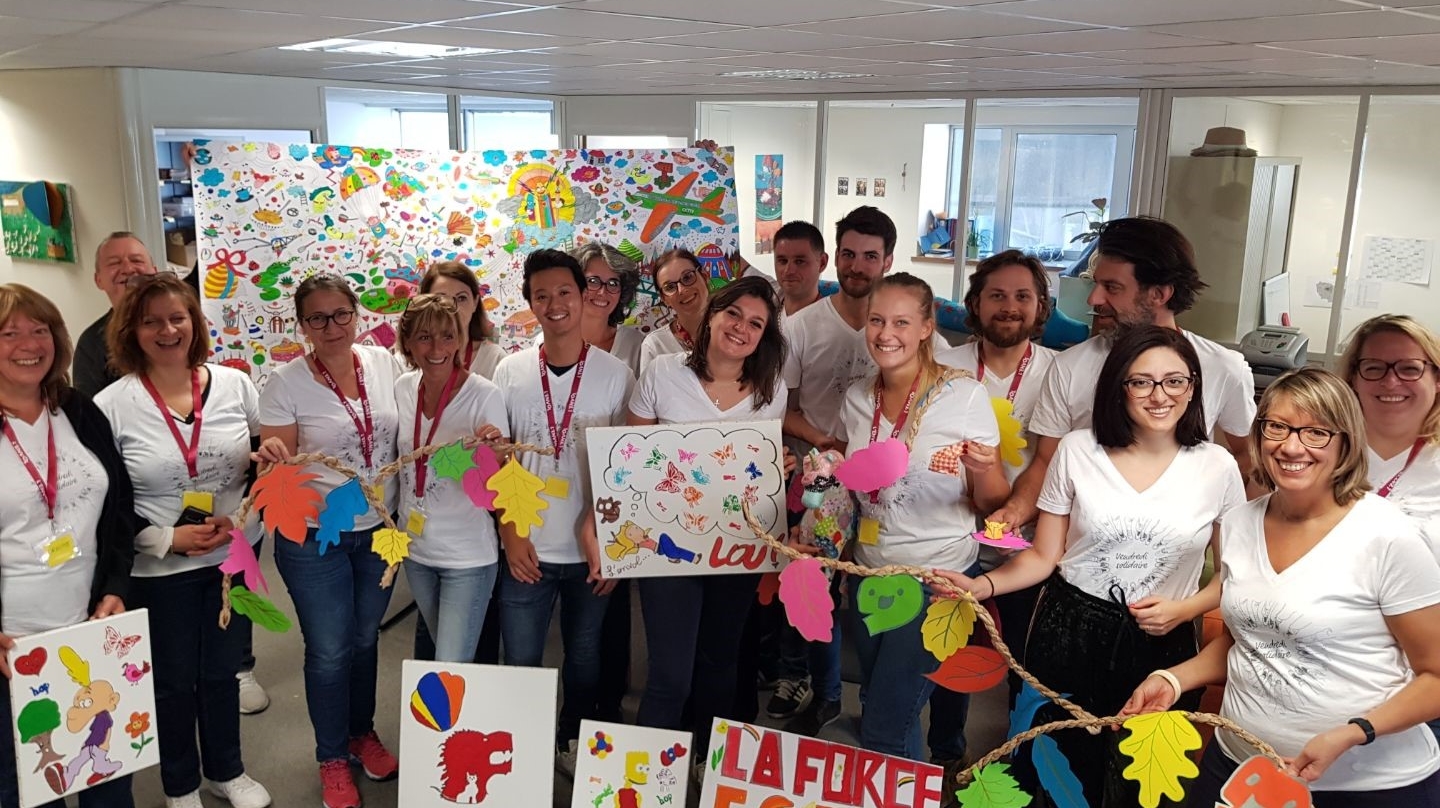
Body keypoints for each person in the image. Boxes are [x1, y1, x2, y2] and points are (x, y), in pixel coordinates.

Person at [937, 325, 1244, 805]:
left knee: (1143, 784)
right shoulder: (1078, 450)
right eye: (1141, 382)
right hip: (1069, 628)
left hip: (1166, 640)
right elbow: (1045, 555)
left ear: (1192, 388)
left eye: (1174, 381)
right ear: (1119, 387)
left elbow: (1233, 576)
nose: (1159, 395)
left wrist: (1186, 610)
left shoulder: (1218, 466)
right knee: (1057, 771)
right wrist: (984, 586)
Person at [1121, 367, 1440, 807]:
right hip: (1239, 768)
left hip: (1366, 786)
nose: (1291, 446)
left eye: (1316, 433)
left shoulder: (1387, 536)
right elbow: (1248, 641)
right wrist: (1173, 679)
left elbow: (1435, 676)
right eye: (1277, 427)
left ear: (1346, 442)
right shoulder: (1239, 524)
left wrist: (1355, 731)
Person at [93, 274, 272, 808]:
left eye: (178, 317)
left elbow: (262, 464)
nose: (168, 330)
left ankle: (226, 771)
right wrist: (166, 538)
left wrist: (240, 517)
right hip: (157, 569)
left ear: (195, 322)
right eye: (151, 321)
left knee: (222, 672)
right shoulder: (110, 405)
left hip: (231, 555)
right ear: (131, 330)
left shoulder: (236, 385)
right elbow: (106, 503)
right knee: (170, 681)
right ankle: (180, 785)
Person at [992, 217, 1257, 532]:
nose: (1094, 299)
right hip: (1082, 551)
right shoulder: (1069, 366)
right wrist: (1015, 511)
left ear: (1158, 294)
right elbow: (1046, 463)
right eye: (1096, 284)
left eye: (1112, 288)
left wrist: (1206, 511)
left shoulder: (1223, 368)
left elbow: (1247, 456)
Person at [838, 273, 1007, 764]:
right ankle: (917, 788)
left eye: (901, 322)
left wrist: (985, 470)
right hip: (871, 573)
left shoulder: (964, 395)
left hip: (937, 579)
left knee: (885, 722)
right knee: (880, 701)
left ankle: (903, 790)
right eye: (877, 321)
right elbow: (854, 491)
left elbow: (992, 504)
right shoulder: (857, 398)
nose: (886, 334)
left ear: (927, 327)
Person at [255, 275, 402, 808]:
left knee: (365, 639)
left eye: (341, 313)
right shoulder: (286, 383)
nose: (332, 326)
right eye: (317, 318)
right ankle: (332, 757)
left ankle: (361, 734)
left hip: (379, 531)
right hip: (316, 538)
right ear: (303, 325)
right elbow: (280, 473)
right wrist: (272, 458)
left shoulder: (384, 364)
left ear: (356, 314)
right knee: (330, 649)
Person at [629, 275, 790, 763]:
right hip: (666, 550)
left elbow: (759, 470)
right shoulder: (662, 373)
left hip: (734, 549)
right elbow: (631, 460)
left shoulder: (772, 392)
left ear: (764, 337)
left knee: (720, 663)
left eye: (756, 323)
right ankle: (646, 778)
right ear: (713, 315)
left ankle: (708, 767)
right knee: (670, 675)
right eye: (733, 313)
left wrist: (776, 469)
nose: (741, 328)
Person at [491, 250, 634, 775]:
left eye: (565, 292)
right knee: (521, 657)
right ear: (531, 303)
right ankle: (524, 747)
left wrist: (613, 546)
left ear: (583, 295)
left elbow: (627, 467)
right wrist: (510, 533)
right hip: (527, 546)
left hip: (589, 551)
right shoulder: (509, 372)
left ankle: (573, 734)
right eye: (542, 295)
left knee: (585, 654)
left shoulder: (616, 375)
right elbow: (497, 460)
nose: (555, 304)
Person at [0, 284, 136, 808]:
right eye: (9, 333)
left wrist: (116, 586)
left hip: (89, 629)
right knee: (27, 784)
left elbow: (119, 507)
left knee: (104, 770)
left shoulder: (77, 409)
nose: (28, 344)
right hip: (12, 646)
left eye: (40, 330)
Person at [937, 249, 1057, 709]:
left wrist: (1016, 514)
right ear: (976, 303)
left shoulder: (1059, 372)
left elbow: (1054, 461)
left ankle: (1019, 740)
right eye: (997, 295)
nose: (1009, 307)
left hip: (1028, 549)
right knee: (948, 664)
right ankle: (946, 745)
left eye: (1022, 296)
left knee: (1025, 670)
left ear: (1041, 306)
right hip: (952, 540)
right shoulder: (943, 367)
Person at [394, 294, 508, 664]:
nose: (437, 348)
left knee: (449, 664)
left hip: (467, 557)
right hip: (416, 551)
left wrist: (493, 454)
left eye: (447, 336)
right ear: (408, 342)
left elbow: (496, 483)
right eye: (424, 337)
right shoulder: (403, 389)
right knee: (445, 658)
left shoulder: (483, 395)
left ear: (459, 340)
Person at [564, 242, 644, 724]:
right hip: (564, 489)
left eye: (613, 282)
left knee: (611, 606)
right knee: (574, 622)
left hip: (618, 495)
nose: (602, 291)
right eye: (592, 279)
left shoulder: (638, 345)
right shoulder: (552, 339)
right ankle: (570, 715)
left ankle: (609, 708)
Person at [73, 232, 160, 398]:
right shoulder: (91, 343)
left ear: (154, 272)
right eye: (114, 263)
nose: (128, 269)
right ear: (98, 280)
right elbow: (88, 409)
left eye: (136, 260)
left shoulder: (180, 327)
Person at [418, 261, 506, 380]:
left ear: (475, 303)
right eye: (441, 299)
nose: (453, 308)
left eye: (461, 298)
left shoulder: (496, 360)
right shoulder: (408, 360)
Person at [638, 249, 710, 375]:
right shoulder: (656, 345)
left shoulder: (736, 331)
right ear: (664, 298)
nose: (681, 290)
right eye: (670, 287)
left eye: (687, 277)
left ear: (704, 276)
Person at [771, 220, 828, 319]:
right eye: (783, 261)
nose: (788, 271)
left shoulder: (829, 322)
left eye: (799, 261)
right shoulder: (768, 304)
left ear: (822, 263)